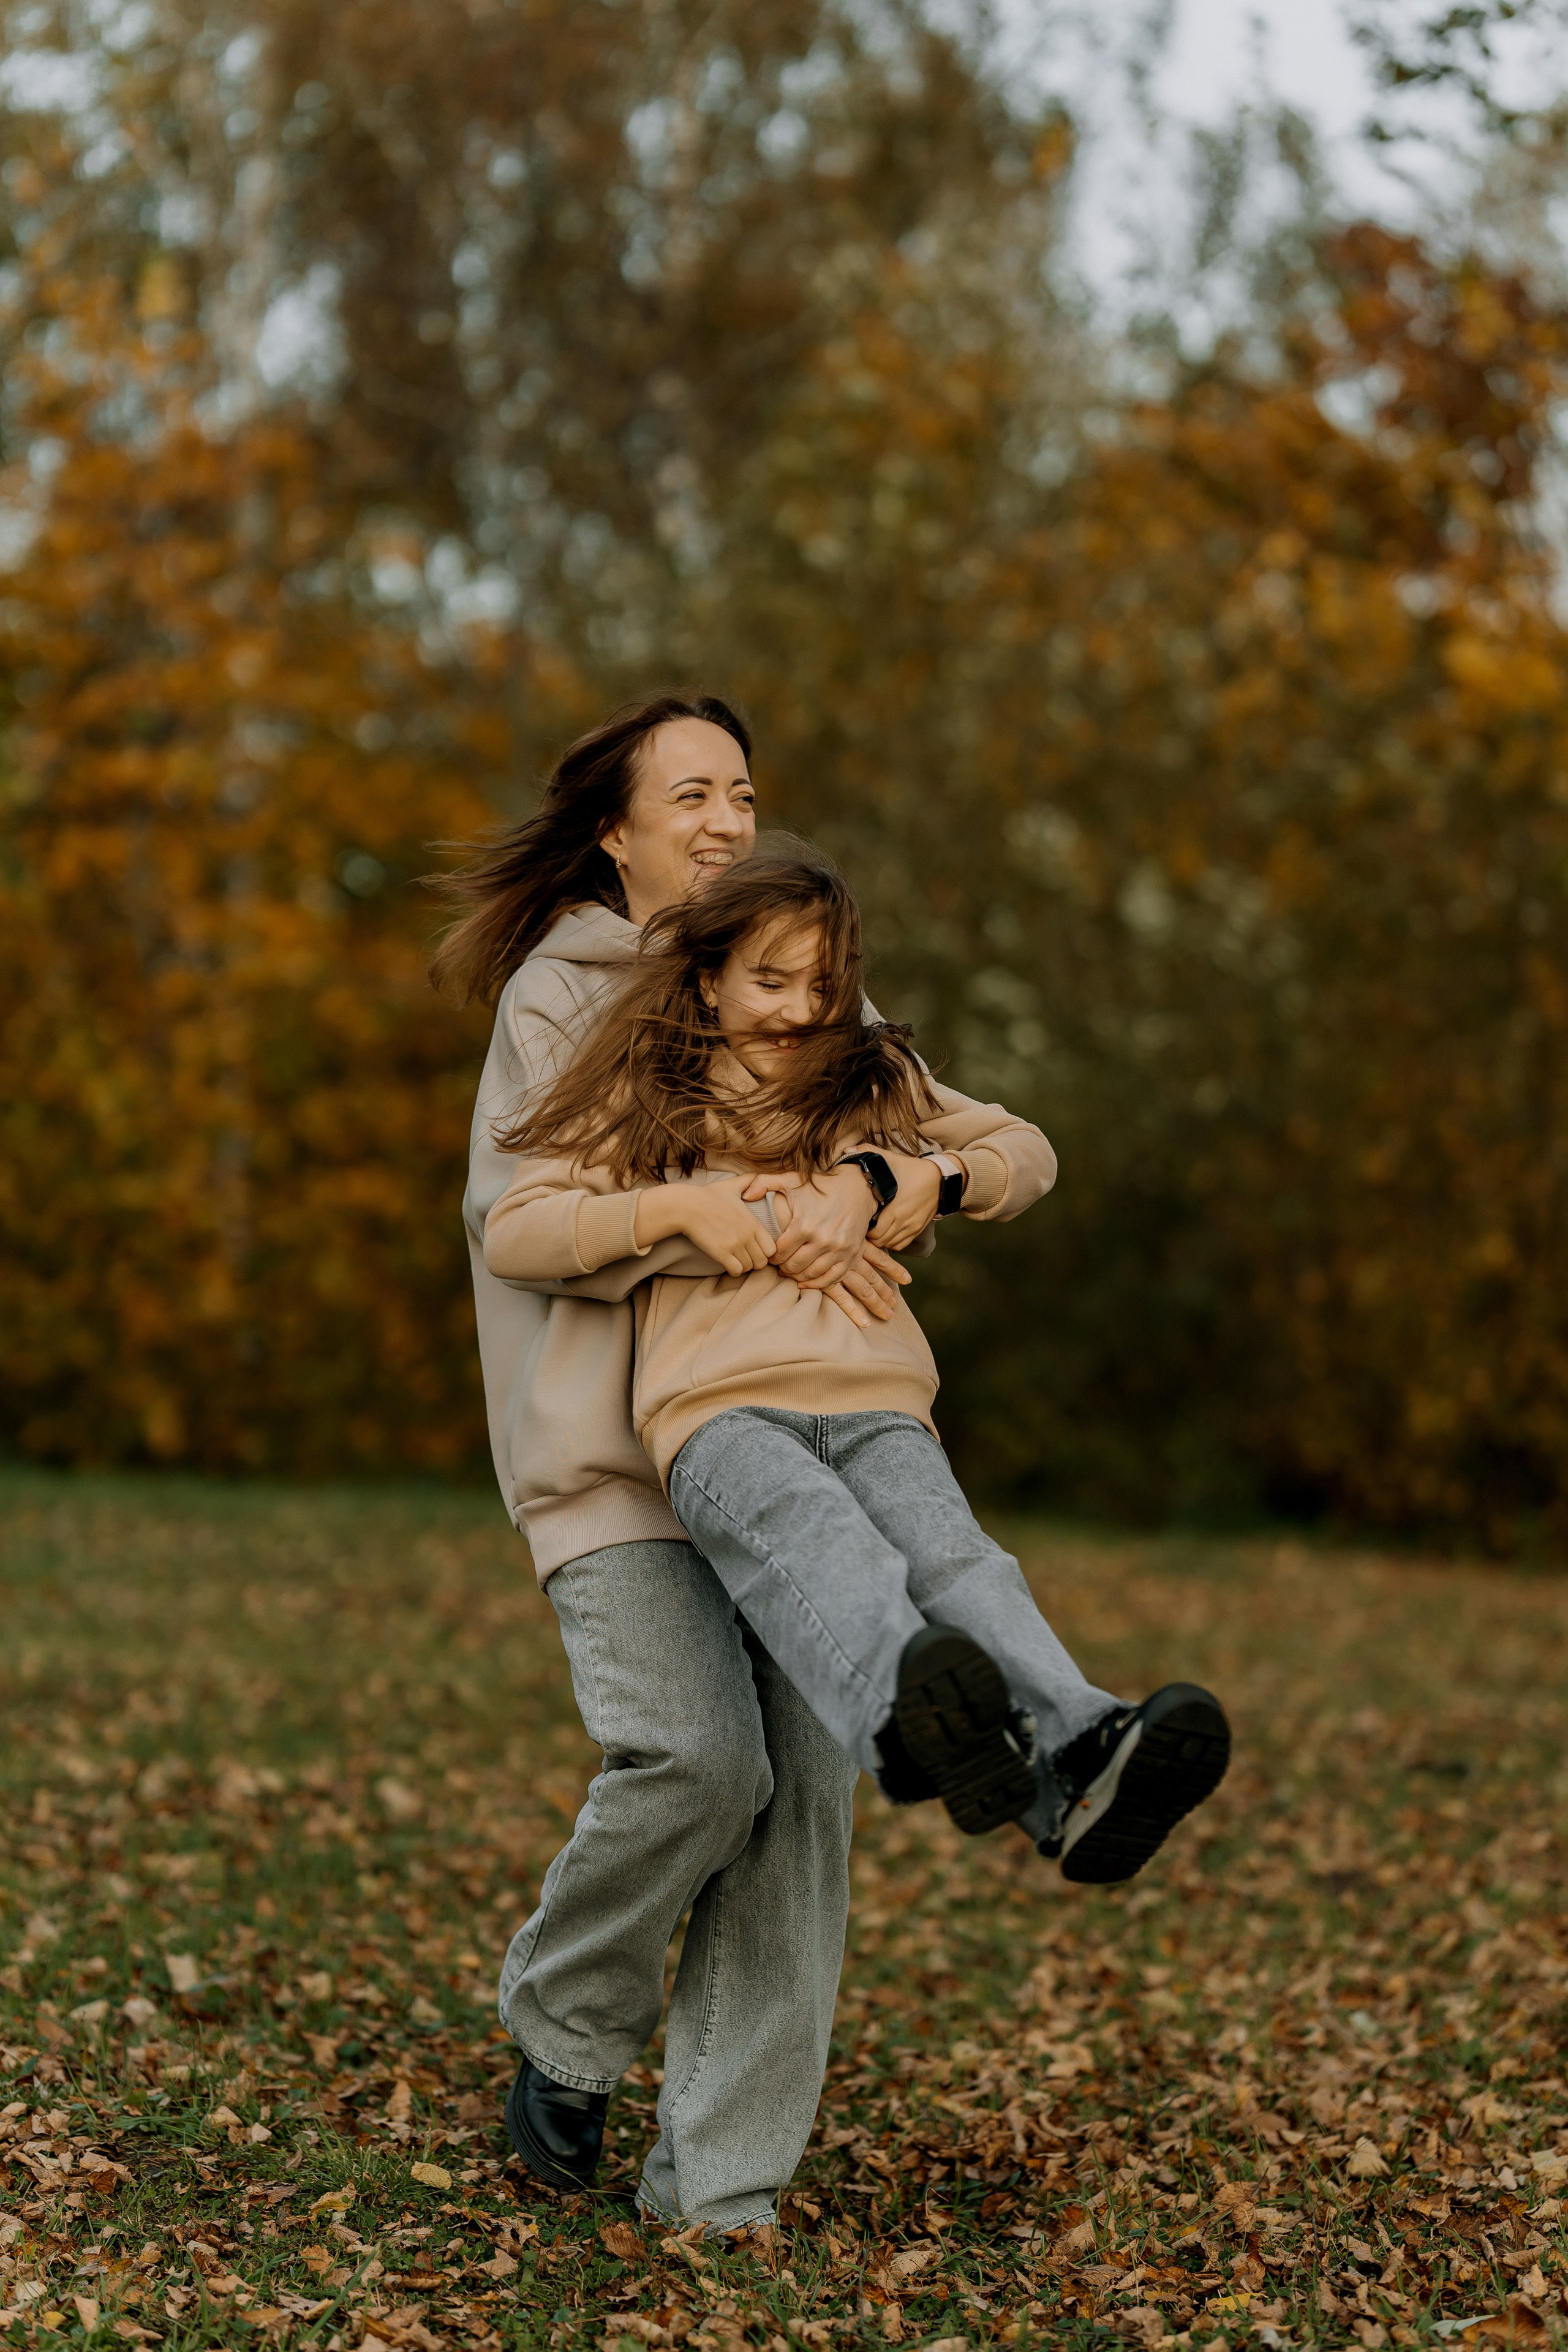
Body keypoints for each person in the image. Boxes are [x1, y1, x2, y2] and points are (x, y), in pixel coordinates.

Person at [436, 696, 972, 2234]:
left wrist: (896, 1178)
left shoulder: (781, 982)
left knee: (804, 1795)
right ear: (615, 828)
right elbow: (516, 1225)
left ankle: (719, 2192)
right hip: (611, 1461)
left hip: (779, 1437)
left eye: (743, 789)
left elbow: (963, 1134)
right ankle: (566, 2016)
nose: (728, 819)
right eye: (691, 794)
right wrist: (689, 1211)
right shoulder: (566, 989)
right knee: (698, 1759)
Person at [485, 838, 1231, 1924]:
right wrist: (680, 1208)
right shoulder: (651, 1094)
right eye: (770, 981)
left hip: (880, 1401)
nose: (798, 1010)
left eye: (825, 986)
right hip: (720, 1412)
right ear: (710, 978)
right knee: (816, 1535)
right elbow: (519, 1230)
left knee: (962, 1562)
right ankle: (907, 1713)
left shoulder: (878, 1081)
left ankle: (1083, 1741)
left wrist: (924, 1172)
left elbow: (1030, 1152)